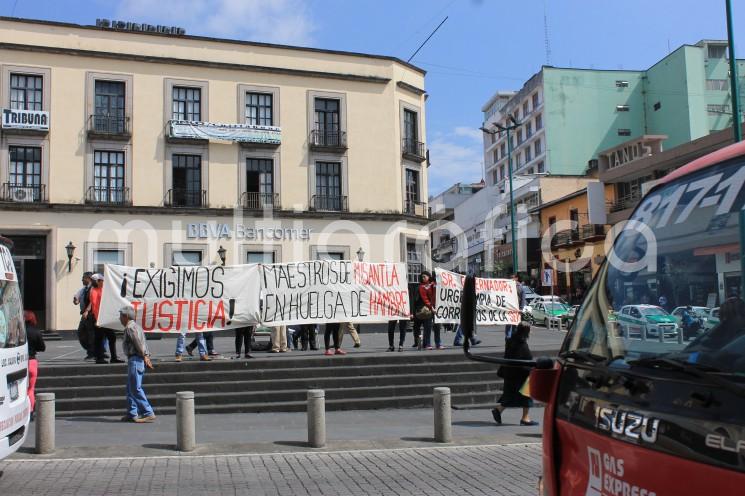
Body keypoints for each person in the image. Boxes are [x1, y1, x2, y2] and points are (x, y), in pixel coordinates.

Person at [491, 322, 538, 426]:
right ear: (526, 331)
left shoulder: (511, 340)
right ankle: (525, 418)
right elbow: (525, 359)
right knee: (526, 394)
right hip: (520, 374)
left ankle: (498, 410)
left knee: (510, 394)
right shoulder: (521, 344)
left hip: (510, 373)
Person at [119, 305, 155, 423]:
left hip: (135, 359)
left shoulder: (130, 328)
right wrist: (146, 356)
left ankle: (148, 412)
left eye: (121, 316)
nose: (120, 319)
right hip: (137, 359)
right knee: (130, 388)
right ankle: (131, 413)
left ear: (127, 317)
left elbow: (138, 342)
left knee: (135, 388)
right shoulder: (137, 327)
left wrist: (144, 356)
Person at [85, 274, 123, 364]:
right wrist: (98, 320)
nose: (103, 282)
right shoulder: (93, 291)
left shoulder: (102, 289)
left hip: (105, 317)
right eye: (102, 281)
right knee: (99, 338)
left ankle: (113, 357)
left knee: (111, 337)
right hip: (99, 318)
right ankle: (99, 358)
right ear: (98, 281)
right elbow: (95, 306)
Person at [413, 271, 441, 350]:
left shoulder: (433, 285)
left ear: (429, 276)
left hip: (436, 308)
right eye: (422, 277)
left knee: (437, 327)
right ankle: (427, 344)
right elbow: (425, 299)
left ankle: (438, 344)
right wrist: (431, 307)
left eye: (425, 276)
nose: (423, 278)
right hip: (427, 310)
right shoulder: (421, 287)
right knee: (427, 328)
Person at [24, 310, 45, 417]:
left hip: (21, 362)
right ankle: (31, 411)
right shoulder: (36, 331)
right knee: (30, 389)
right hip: (32, 361)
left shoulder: (19, 331)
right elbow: (42, 347)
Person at [73, 272, 94, 359]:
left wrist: (87, 311)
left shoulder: (93, 289)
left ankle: (92, 352)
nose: (82, 280)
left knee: (90, 333)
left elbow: (93, 301)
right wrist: (75, 301)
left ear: (89, 278)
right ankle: (91, 350)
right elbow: (77, 300)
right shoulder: (83, 289)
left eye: (83, 278)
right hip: (84, 314)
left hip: (91, 315)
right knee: (81, 332)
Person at [505, 274, 526, 340]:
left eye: (512, 277)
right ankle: (508, 338)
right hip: (509, 308)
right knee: (508, 324)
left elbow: (523, 298)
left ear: (516, 278)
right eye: (510, 277)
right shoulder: (506, 285)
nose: (511, 279)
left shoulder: (520, 287)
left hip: (517, 309)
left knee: (515, 325)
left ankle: (514, 338)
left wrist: (521, 308)